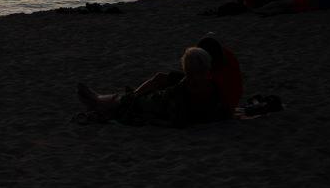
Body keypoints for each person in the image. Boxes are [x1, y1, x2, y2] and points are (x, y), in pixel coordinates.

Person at [77, 47, 231, 128]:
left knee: (124, 100)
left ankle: (99, 100)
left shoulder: (182, 93)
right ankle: (128, 95)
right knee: (161, 78)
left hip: (156, 104)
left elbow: (177, 122)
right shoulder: (213, 86)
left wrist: (151, 119)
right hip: (173, 97)